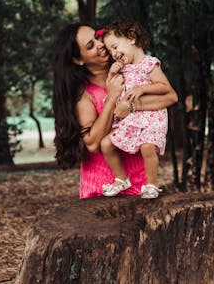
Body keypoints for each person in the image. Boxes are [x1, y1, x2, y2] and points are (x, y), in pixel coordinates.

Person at [52, 23, 178, 199]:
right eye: (90, 46)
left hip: (142, 183)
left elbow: (171, 97)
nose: (100, 44)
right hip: (104, 188)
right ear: (78, 60)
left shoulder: (130, 68)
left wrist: (131, 107)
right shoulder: (84, 94)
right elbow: (93, 144)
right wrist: (112, 99)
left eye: (97, 37)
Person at [99, 19, 171, 199]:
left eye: (115, 47)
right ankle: (122, 178)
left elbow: (164, 87)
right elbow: (112, 88)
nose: (113, 54)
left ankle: (152, 184)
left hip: (151, 117)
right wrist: (112, 73)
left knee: (148, 147)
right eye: (110, 51)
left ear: (131, 37)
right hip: (131, 118)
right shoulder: (124, 68)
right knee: (106, 144)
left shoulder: (149, 64)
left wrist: (143, 88)